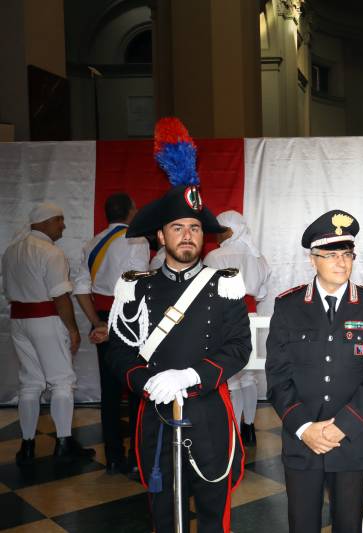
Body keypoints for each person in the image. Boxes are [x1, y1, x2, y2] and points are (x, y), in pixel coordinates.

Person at [105, 117, 251, 532]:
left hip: (208, 414)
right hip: (155, 414)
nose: (187, 235)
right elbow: (118, 350)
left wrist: (193, 374)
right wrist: (143, 381)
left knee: (213, 514)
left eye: (193, 228)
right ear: (160, 237)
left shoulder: (224, 285)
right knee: (164, 516)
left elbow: (239, 346)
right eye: (177, 228)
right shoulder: (135, 288)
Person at [267, 210, 363, 533]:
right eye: (332, 254)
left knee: (349, 526)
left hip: (352, 440)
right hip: (302, 439)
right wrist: (303, 427)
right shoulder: (289, 306)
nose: (342, 262)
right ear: (313, 260)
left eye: (347, 254)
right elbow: (278, 376)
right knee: (303, 525)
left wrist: (343, 426)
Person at [2, 202, 96, 466]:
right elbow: (60, 297)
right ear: (44, 222)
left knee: (30, 383)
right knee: (62, 380)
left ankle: (27, 445)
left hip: (19, 321)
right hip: (46, 320)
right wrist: (73, 329)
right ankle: (64, 442)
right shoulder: (50, 253)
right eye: (59, 220)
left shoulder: (10, 251)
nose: (63, 225)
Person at [73, 192, 149, 474]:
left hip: (103, 319)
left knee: (110, 391)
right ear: (130, 212)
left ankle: (113, 456)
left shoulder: (91, 243)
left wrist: (98, 323)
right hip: (130, 318)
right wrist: (122, 323)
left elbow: (81, 288)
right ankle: (136, 456)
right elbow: (136, 283)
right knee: (135, 385)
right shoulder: (136, 239)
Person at [204, 210, 270, 445]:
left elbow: (206, 291)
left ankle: (233, 429)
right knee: (249, 376)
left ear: (230, 230)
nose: (217, 235)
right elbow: (262, 291)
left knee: (231, 376)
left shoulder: (214, 256)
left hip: (225, 318)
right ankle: (249, 427)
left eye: (220, 230)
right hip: (250, 314)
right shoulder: (257, 256)